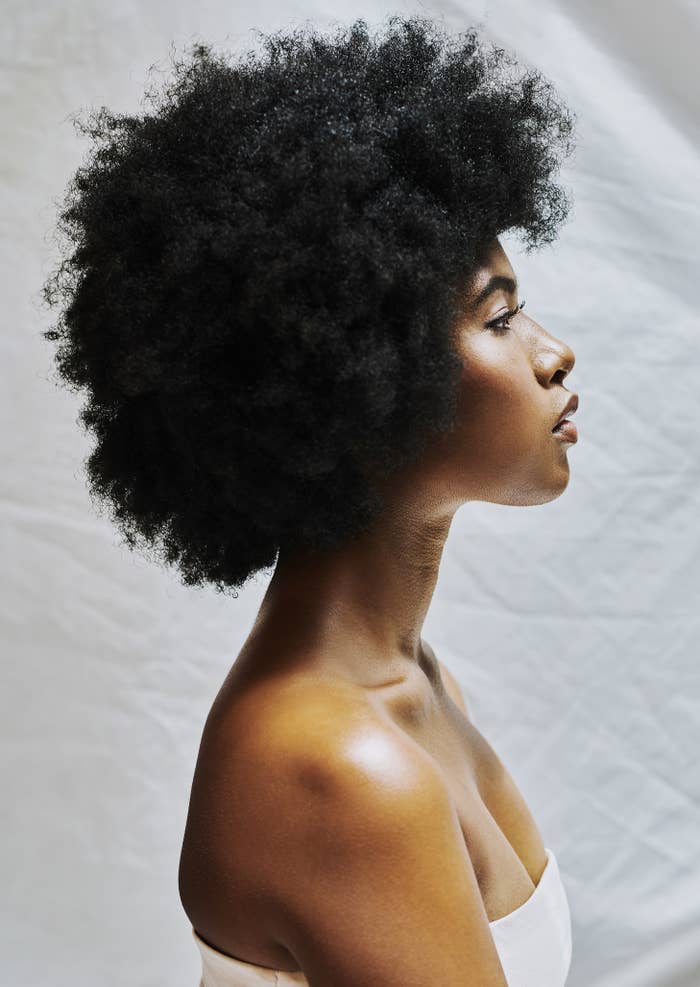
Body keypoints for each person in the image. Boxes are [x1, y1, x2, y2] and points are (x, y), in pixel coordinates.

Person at [42, 15, 578, 986]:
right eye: (498, 316)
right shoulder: (328, 765)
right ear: (352, 379)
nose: (552, 351)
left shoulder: (415, 688)